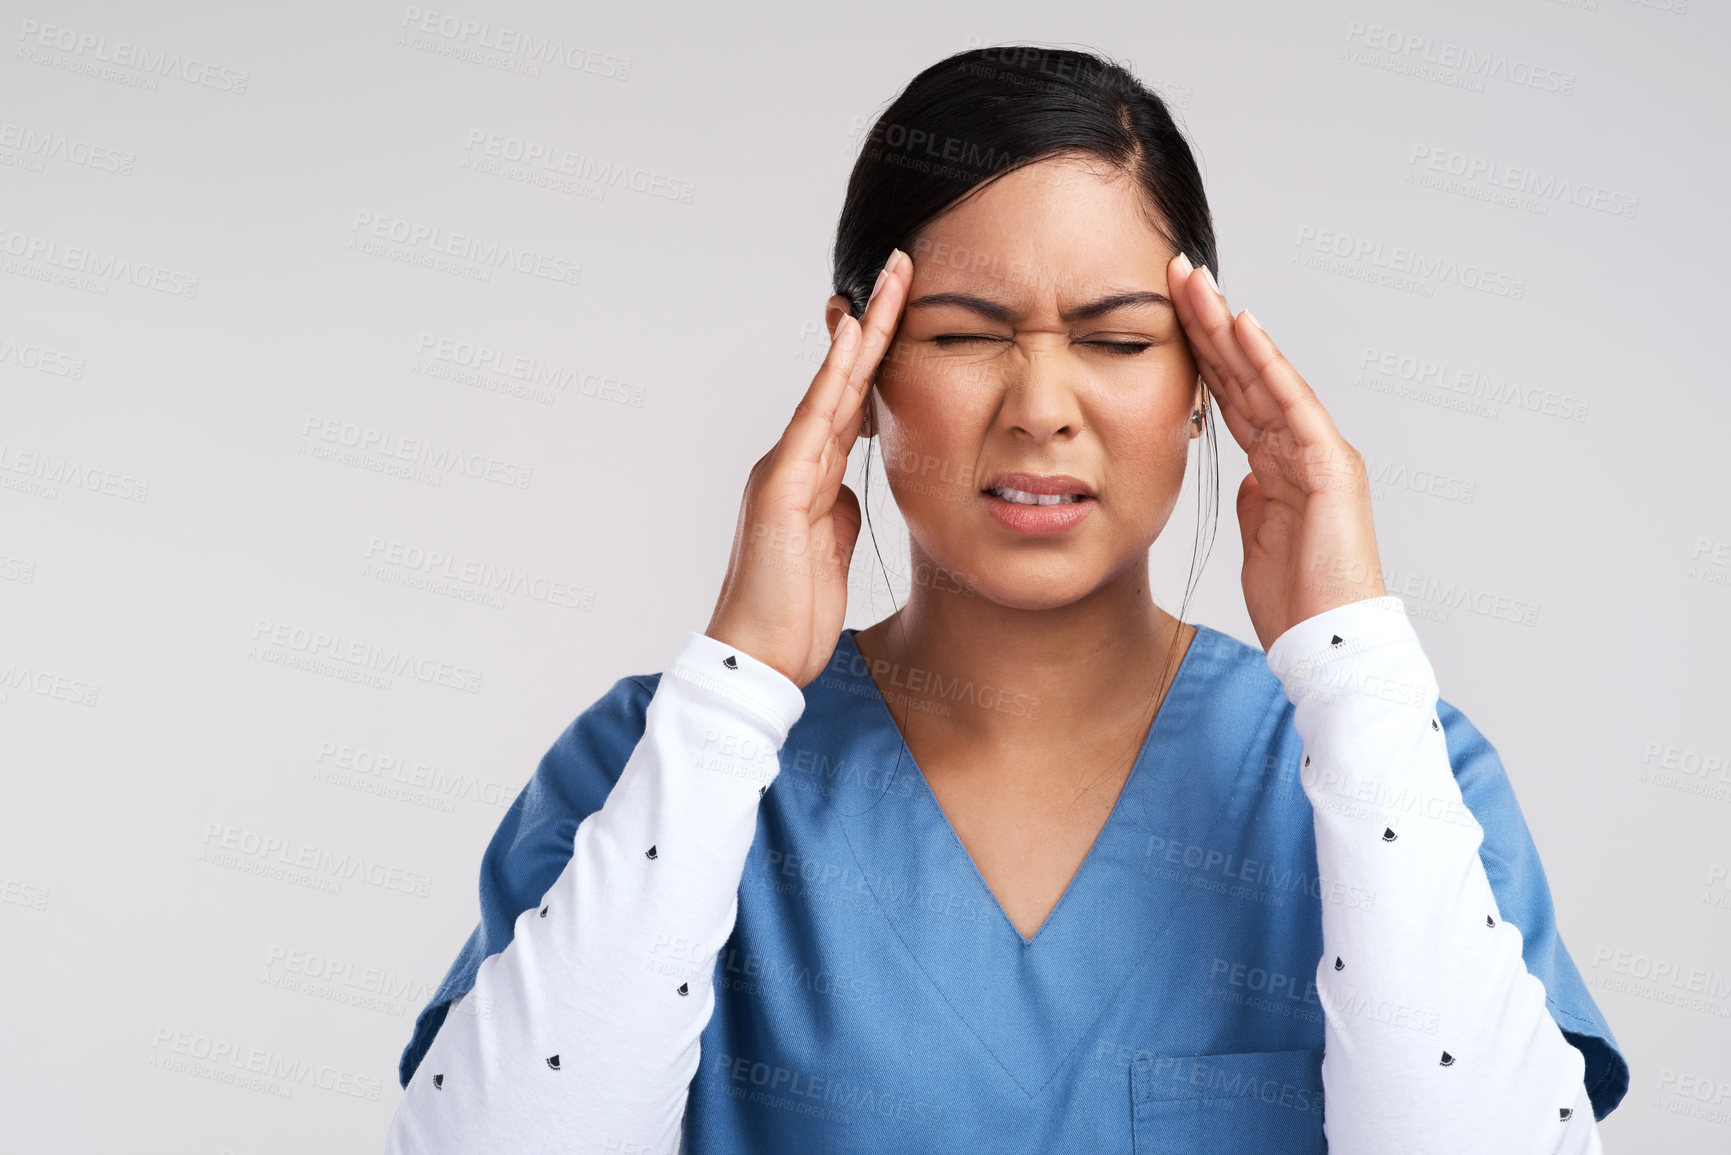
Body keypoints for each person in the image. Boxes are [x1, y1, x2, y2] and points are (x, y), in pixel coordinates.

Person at [383, 45, 1628, 1154]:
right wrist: (737, 691)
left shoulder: (1396, 767)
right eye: (968, 334)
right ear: (858, 365)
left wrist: (1352, 663)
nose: (1041, 406)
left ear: (1205, 379)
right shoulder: (652, 764)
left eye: (1121, 340)